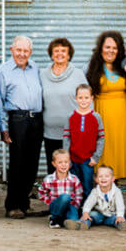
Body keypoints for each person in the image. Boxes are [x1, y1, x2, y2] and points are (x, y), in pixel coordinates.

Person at [0, 35, 44, 219]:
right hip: (18, 119)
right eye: (19, 50)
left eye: (25, 51)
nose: (22, 54)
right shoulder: (3, 71)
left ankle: (25, 203)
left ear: (30, 52)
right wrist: (3, 128)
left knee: (32, 164)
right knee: (17, 163)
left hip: (36, 119)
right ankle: (12, 206)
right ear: (12, 50)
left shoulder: (35, 68)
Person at [85, 31, 126, 180]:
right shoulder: (91, 67)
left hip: (122, 117)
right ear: (101, 48)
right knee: (103, 148)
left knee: (119, 149)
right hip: (102, 115)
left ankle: (117, 182)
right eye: (107, 47)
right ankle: (102, 182)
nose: (110, 51)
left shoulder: (125, 67)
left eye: (114, 48)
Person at [40, 37, 87, 173]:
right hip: (50, 132)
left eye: (63, 51)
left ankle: (73, 194)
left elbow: (88, 101)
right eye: (56, 50)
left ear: (69, 54)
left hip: (73, 132)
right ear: (51, 54)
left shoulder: (77, 74)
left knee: (73, 169)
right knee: (54, 169)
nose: (59, 54)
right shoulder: (42, 74)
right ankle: (54, 194)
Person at [65, 164, 126, 231]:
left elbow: (120, 205)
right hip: (99, 215)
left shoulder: (116, 191)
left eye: (107, 176)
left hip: (111, 215)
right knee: (92, 215)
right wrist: (85, 213)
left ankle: (124, 225)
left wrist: (120, 216)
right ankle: (81, 224)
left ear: (113, 179)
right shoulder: (95, 191)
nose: (103, 178)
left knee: (116, 219)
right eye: (100, 176)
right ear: (96, 179)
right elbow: (88, 203)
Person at [62, 84, 104, 198]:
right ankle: (75, 209)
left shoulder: (96, 117)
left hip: (88, 159)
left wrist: (96, 157)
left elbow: (101, 138)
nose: (83, 100)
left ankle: (87, 211)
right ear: (75, 98)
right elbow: (66, 138)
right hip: (73, 158)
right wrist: (67, 158)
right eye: (80, 97)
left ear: (91, 98)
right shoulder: (70, 116)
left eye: (86, 97)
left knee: (87, 187)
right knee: (74, 186)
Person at [38, 149, 83, 228]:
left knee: (73, 221)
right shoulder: (49, 179)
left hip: (70, 206)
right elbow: (41, 193)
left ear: (70, 163)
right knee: (65, 197)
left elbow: (79, 194)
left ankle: (62, 219)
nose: (63, 165)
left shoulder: (74, 179)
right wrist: (49, 202)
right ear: (54, 164)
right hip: (56, 205)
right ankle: (54, 218)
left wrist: (75, 206)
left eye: (66, 162)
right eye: (60, 162)